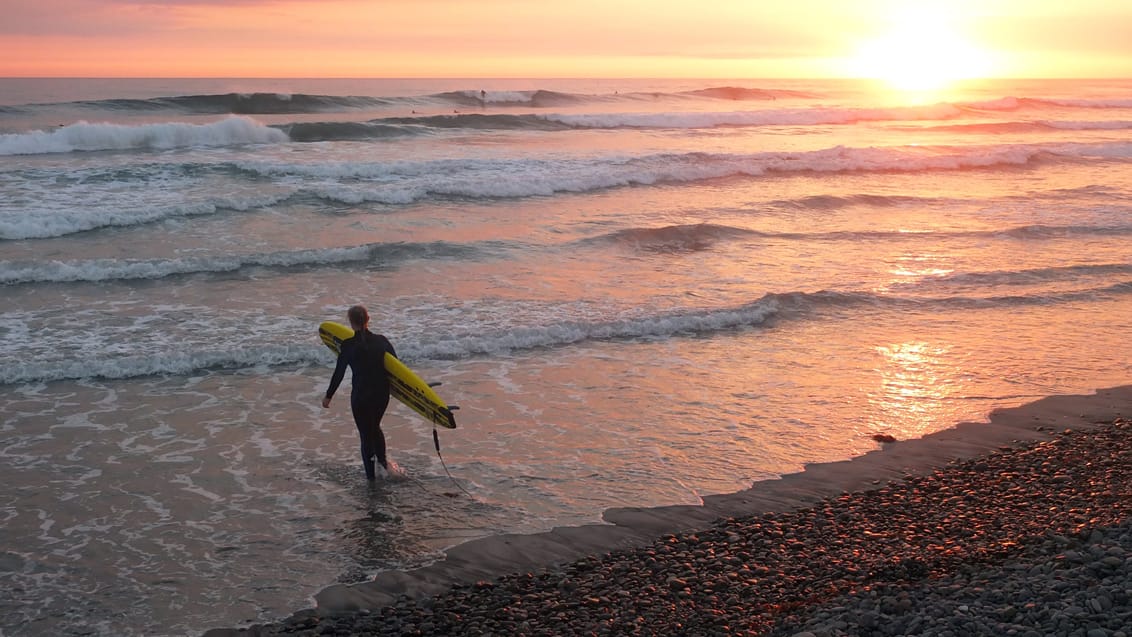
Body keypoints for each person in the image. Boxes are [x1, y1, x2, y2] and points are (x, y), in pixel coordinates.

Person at [322, 305, 397, 480]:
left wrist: (328, 395)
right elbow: (396, 367)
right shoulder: (382, 341)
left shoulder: (348, 345)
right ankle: (384, 466)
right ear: (368, 319)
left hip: (361, 395)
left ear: (350, 321)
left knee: (366, 435)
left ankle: (371, 479)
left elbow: (339, 372)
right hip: (381, 394)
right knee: (375, 427)